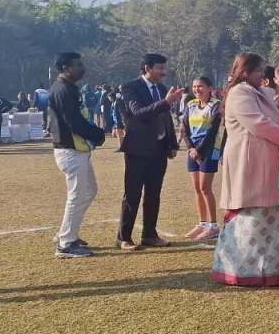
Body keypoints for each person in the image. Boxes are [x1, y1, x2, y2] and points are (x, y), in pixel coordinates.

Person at [213, 54, 279, 286]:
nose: (263, 75)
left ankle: (274, 269)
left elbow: (278, 109)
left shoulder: (262, 92)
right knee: (249, 213)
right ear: (245, 73)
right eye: (258, 71)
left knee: (272, 213)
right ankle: (242, 270)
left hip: (267, 159)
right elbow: (259, 124)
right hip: (248, 163)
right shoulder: (239, 93)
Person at [117, 53, 184, 250]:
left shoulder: (162, 89)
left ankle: (149, 235)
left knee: (154, 194)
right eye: (160, 68)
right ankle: (124, 237)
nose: (164, 72)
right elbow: (138, 113)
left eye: (164, 68)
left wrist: (172, 143)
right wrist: (166, 102)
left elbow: (166, 118)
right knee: (132, 194)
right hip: (138, 150)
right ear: (147, 68)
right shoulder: (130, 87)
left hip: (159, 150)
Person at [48, 52, 106, 259]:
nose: (82, 68)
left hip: (76, 149)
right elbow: (73, 122)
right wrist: (98, 134)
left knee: (89, 191)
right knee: (77, 195)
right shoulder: (62, 90)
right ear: (66, 68)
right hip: (69, 150)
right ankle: (65, 244)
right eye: (78, 65)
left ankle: (67, 233)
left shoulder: (69, 88)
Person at [181, 76, 223, 241]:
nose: (197, 89)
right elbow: (184, 129)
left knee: (205, 187)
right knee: (197, 188)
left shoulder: (216, 105)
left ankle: (213, 226)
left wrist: (198, 150)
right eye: (194, 86)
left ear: (209, 88)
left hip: (209, 149)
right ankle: (202, 223)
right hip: (193, 150)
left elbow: (212, 131)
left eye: (200, 86)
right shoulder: (190, 104)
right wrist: (191, 148)